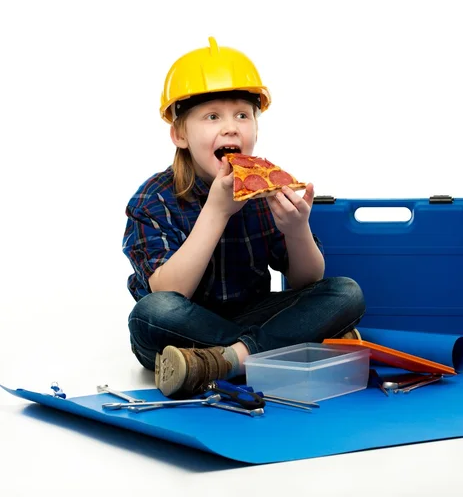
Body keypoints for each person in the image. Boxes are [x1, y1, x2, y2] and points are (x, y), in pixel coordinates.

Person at [122, 37, 365, 398]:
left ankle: (225, 361)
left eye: (242, 115)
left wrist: (297, 230)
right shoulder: (153, 197)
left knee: (346, 292)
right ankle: (290, 346)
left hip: (253, 314)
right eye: (212, 116)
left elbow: (306, 280)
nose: (231, 127)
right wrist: (217, 211)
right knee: (150, 312)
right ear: (179, 134)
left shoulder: (263, 187)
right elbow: (168, 292)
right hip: (181, 329)